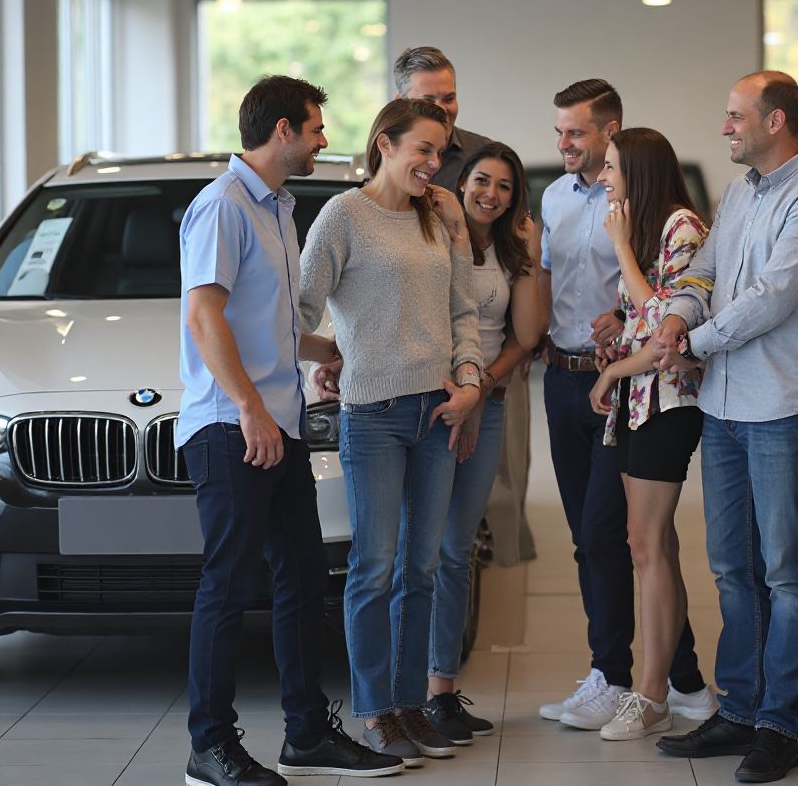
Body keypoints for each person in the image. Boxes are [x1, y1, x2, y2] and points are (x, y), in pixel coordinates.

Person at [177, 75, 402, 786]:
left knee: (303, 582)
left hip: (279, 426)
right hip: (230, 427)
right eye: (315, 128)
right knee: (226, 586)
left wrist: (319, 351)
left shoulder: (276, 207)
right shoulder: (222, 206)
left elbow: (262, 320)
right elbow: (204, 318)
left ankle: (306, 735)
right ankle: (209, 747)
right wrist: (247, 406)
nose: (323, 140)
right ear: (281, 130)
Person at [653, 71, 798, 784]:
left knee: (787, 572)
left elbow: (771, 300)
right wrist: (679, 311)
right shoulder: (739, 195)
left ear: (776, 122)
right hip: (725, 410)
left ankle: (778, 725)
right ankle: (739, 709)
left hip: (782, 408)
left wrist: (692, 345)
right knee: (733, 569)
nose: (725, 127)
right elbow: (704, 271)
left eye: (736, 116)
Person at [299, 98, 484, 768]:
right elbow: (299, 309)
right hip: (373, 415)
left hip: (439, 410)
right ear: (385, 144)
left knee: (422, 567)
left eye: (442, 154)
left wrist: (468, 379)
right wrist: (330, 356)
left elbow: (462, 309)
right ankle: (375, 711)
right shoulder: (343, 216)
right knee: (374, 568)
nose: (435, 165)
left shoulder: (439, 217)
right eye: (424, 150)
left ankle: (409, 706)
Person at [537, 79, 716, 732]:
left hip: (650, 393)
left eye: (578, 134)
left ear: (613, 139)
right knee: (636, 542)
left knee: (629, 539)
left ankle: (641, 688)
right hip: (600, 385)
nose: (565, 145)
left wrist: (619, 346)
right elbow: (637, 311)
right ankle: (678, 682)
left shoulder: (667, 223)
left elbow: (667, 315)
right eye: (559, 132)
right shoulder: (561, 199)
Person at [587, 128, 712, 742]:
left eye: (611, 167)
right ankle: (676, 689)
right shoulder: (642, 232)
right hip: (640, 401)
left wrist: (621, 250)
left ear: (637, 169)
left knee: (646, 543)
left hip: (672, 401)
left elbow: (666, 329)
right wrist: (614, 352)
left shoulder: (681, 227)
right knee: (648, 546)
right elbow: (640, 329)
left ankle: (653, 693)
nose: (605, 178)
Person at [422, 143, 545, 743]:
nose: (489, 194)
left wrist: (481, 389)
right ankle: (400, 692)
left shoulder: (510, 252)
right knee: (412, 551)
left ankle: (440, 692)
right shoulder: (430, 233)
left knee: (456, 550)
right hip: (430, 404)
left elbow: (525, 337)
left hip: (487, 403)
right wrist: (456, 396)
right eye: (480, 181)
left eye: (502, 185)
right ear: (461, 182)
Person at [393, 45, 491, 192]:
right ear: (400, 102)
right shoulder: (380, 158)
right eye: (428, 101)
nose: (441, 110)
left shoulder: (487, 156)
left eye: (449, 99)